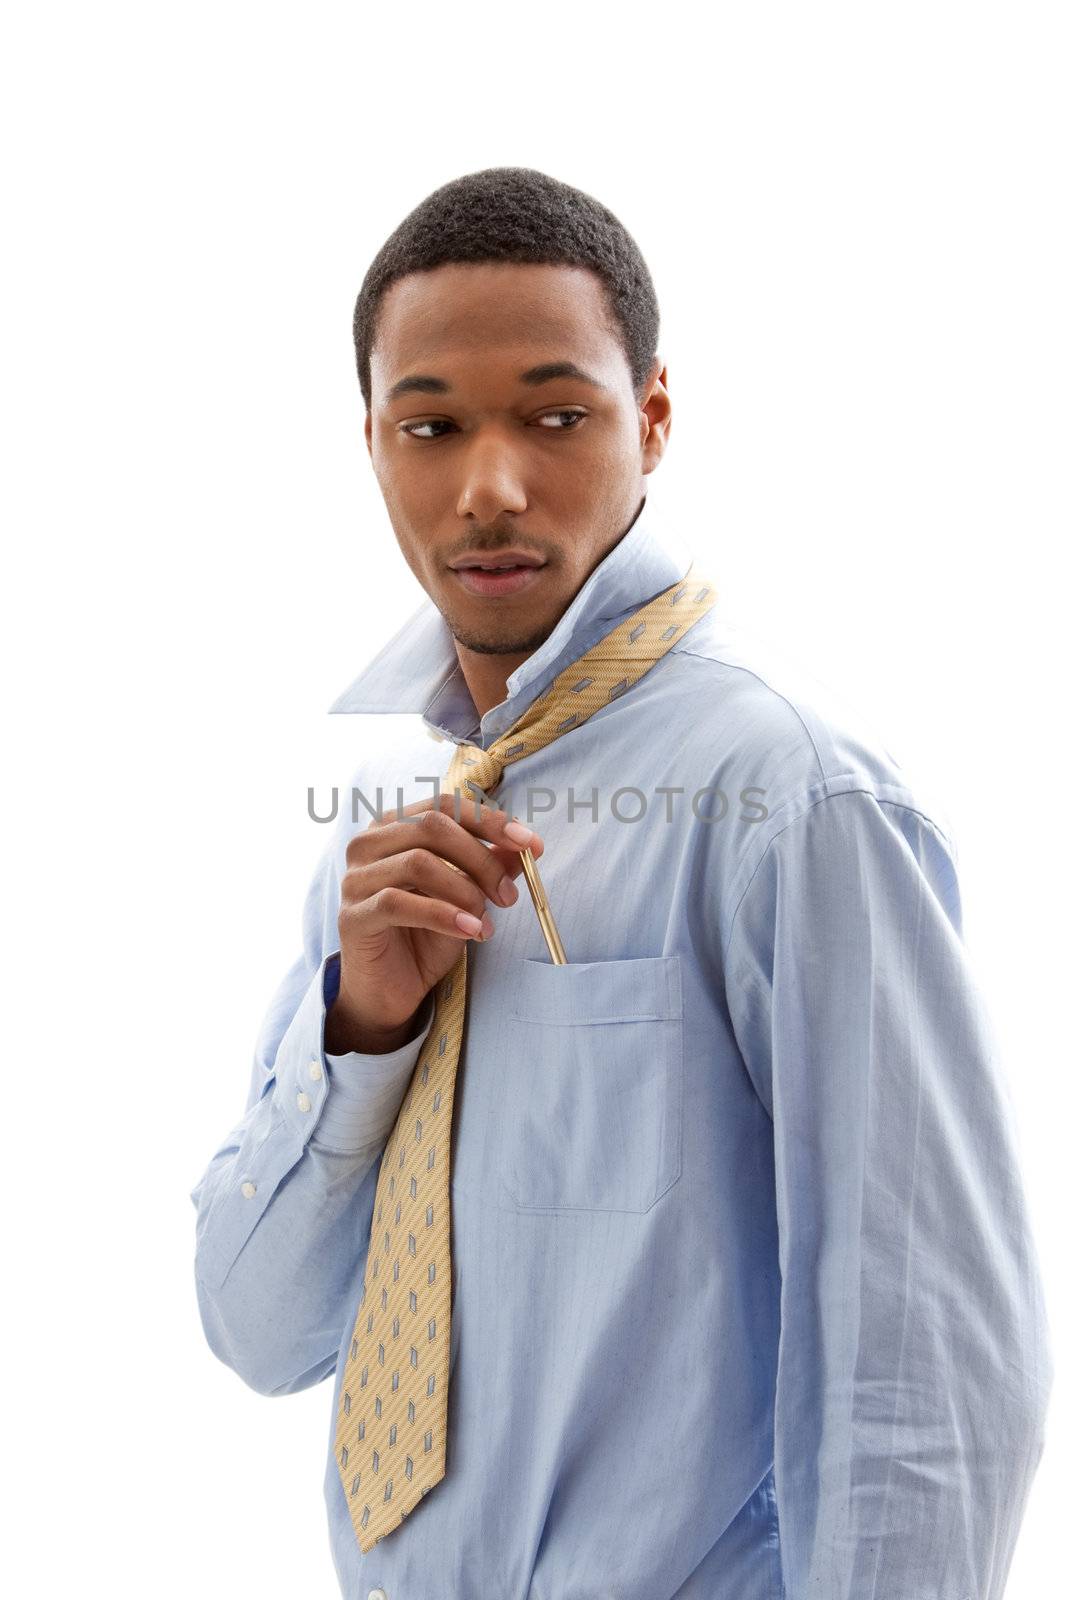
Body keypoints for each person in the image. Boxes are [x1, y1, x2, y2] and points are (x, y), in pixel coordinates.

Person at [189, 166, 1053, 1600]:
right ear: (374, 445)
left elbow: (930, 1368)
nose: (490, 486)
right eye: (432, 426)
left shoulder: (792, 797)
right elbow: (258, 1328)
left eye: (555, 414)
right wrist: (362, 1035)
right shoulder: (391, 840)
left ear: (650, 420)